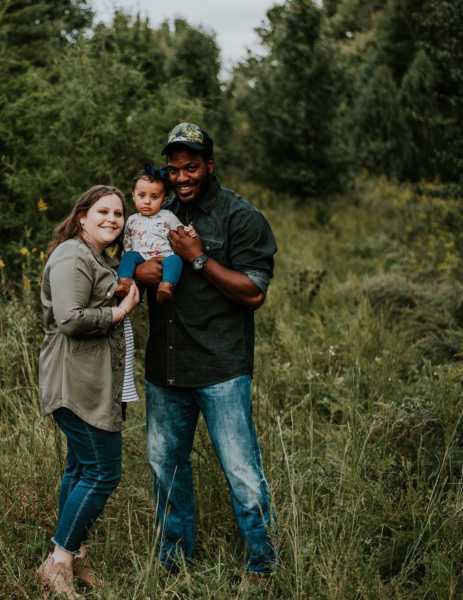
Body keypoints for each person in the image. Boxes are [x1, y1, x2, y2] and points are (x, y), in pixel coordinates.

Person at [133, 122, 278, 576]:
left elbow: (253, 293)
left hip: (221, 367)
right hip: (167, 366)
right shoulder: (158, 212)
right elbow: (133, 262)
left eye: (191, 167)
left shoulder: (239, 216)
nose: (181, 177)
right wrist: (141, 274)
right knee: (165, 469)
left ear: (209, 166)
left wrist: (198, 258)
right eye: (174, 169)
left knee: (241, 472)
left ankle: (263, 564)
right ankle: (175, 563)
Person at [36, 185, 141, 598]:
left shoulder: (95, 257)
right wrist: (118, 312)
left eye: (118, 213)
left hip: (91, 381)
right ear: (82, 216)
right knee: (103, 472)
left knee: (80, 469)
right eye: (103, 211)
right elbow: (69, 318)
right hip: (76, 382)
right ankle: (57, 562)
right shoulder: (71, 257)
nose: (113, 218)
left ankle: (73, 554)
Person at [114, 165, 192, 303]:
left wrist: (189, 231)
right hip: (140, 258)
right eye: (142, 195)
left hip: (164, 257)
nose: (147, 201)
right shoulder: (132, 220)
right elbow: (127, 241)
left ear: (164, 200)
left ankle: (166, 285)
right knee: (128, 256)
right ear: (133, 196)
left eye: (154, 197)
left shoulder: (167, 216)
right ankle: (124, 282)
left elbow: (180, 230)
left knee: (175, 260)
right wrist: (128, 258)